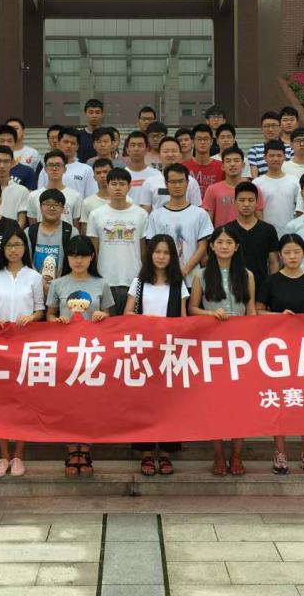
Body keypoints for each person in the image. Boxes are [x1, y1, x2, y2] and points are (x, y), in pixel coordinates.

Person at [258, 233, 304, 475]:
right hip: (278, 353)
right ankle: (280, 453)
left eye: (296, 252)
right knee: (279, 401)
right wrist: (279, 317)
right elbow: (257, 313)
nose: (292, 257)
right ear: (280, 255)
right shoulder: (271, 281)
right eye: (287, 252)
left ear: (303, 253)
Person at [189, 228, 256, 477]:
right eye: (220, 242)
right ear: (212, 246)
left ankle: (236, 455)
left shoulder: (247, 275)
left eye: (229, 242)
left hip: (241, 346)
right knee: (215, 403)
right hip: (213, 346)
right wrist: (211, 314)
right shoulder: (202, 275)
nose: (224, 246)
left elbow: (251, 309)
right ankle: (218, 454)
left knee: (240, 404)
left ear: (236, 247)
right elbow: (192, 308)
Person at [123, 234, 187, 476]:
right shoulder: (139, 283)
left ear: (172, 257)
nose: (161, 256)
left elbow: (183, 319)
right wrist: (150, 322)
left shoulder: (178, 283)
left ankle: (167, 453)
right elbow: (128, 313)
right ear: (150, 255)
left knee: (170, 404)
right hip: (144, 351)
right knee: (144, 403)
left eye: (166, 253)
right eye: (157, 252)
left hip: (170, 351)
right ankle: (147, 453)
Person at [0, 230, 45, 478]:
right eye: (9, 245)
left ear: (25, 248)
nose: (13, 250)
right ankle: (3, 455)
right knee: (1, 401)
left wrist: (31, 317)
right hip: (0, 345)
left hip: (26, 344)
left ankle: (19, 455)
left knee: (23, 401)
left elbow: (40, 310)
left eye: (18, 245)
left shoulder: (34, 277)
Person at [86, 167, 149, 312]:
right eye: (114, 184)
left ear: (129, 187)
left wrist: (144, 276)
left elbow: (143, 250)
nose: (118, 188)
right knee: (107, 324)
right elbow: (94, 250)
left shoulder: (141, 215)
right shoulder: (96, 215)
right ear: (107, 186)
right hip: (105, 280)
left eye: (122, 184)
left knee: (131, 323)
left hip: (134, 280)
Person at [144, 163, 213, 287]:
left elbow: (202, 247)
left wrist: (183, 272)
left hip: (193, 280)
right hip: (164, 280)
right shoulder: (156, 215)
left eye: (181, 181)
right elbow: (153, 247)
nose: (177, 186)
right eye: (173, 182)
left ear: (187, 183)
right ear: (166, 184)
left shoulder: (200, 214)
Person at [223, 182, 279, 293]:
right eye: (242, 200)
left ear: (257, 202)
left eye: (251, 200)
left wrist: (271, 288)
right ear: (235, 202)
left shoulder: (268, 230)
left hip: (262, 288)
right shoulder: (226, 230)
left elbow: (273, 262)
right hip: (232, 288)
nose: (246, 204)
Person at [136, 138, 203, 211]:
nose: (170, 154)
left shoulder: (191, 182)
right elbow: (145, 211)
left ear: (180, 155)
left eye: (174, 151)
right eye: (166, 151)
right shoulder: (150, 182)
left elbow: (197, 209)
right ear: (159, 155)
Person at [203, 148, 263, 227]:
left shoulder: (253, 189)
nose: (232, 164)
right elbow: (207, 223)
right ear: (222, 166)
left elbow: (259, 220)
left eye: (236, 160)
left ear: (243, 165)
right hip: (223, 234)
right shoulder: (212, 190)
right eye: (228, 161)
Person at [28, 188, 73, 289]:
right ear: (40, 207)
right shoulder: (29, 232)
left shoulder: (71, 232)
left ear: (63, 209)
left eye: (56, 205)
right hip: (34, 288)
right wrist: (40, 283)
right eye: (47, 204)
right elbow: (26, 262)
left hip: (63, 288)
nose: (51, 208)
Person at [252, 140, 300, 230]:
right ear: (264, 158)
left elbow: (299, 208)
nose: (275, 159)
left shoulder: (294, 181)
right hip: (266, 232)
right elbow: (256, 211)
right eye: (271, 156)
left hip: (290, 231)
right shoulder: (256, 183)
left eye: (279, 155)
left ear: (284, 157)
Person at [37, 127, 96, 198]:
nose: (69, 146)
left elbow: (90, 197)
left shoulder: (86, 170)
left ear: (77, 147)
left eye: (73, 143)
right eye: (66, 142)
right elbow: (40, 194)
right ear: (58, 143)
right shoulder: (47, 169)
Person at [28, 150, 83, 226]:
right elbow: (33, 226)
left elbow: (76, 227)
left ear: (64, 169)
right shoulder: (33, 196)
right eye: (51, 165)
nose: (54, 168)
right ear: (45, 169)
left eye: (58, 165)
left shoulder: (76, 196)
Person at [183, 124, 224, 193]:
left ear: (211, 142)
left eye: (206, 139)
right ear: (193, 142)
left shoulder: (222, 167)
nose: (202, 142)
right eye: (199, 139)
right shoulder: (183, 167)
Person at [80, 158, 115, 233]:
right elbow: (84, 230)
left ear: (112, 173)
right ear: (94, 177)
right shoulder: (87, 203)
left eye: (105, 172)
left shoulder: (125, 200)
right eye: (98, 173)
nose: (102, 176)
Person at [247, 112, 286, 177]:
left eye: (273, 126)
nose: (270, 129)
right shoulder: (254, 150)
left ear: (280, 128)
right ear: (261, 129)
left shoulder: (289, 149)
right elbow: (254, 177)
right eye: (267, 126)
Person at [77, 98, 105, 163]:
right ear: (85, 114)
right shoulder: (78, 135)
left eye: (97, 113)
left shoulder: (107, 135)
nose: (94, 116)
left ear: (102, 114)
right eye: (91, 112)